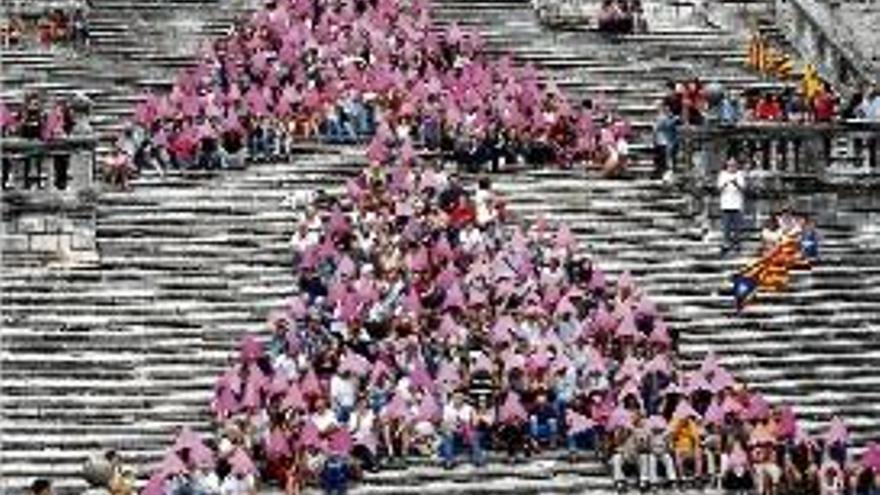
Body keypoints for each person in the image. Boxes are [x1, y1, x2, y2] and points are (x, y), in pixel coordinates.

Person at [717, 158, 746, 255]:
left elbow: (743, 188)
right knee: (726, 226)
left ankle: (737, 244)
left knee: (737, 226)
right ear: (727, 165)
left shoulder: (740, 174)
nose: (732, 167)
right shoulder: (723, 174)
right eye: (730, 165)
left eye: (734, 165)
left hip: (737, 204)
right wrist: (726, 183)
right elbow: (719, 188)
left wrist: (736, 183)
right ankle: (726, 244)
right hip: (726, 204)